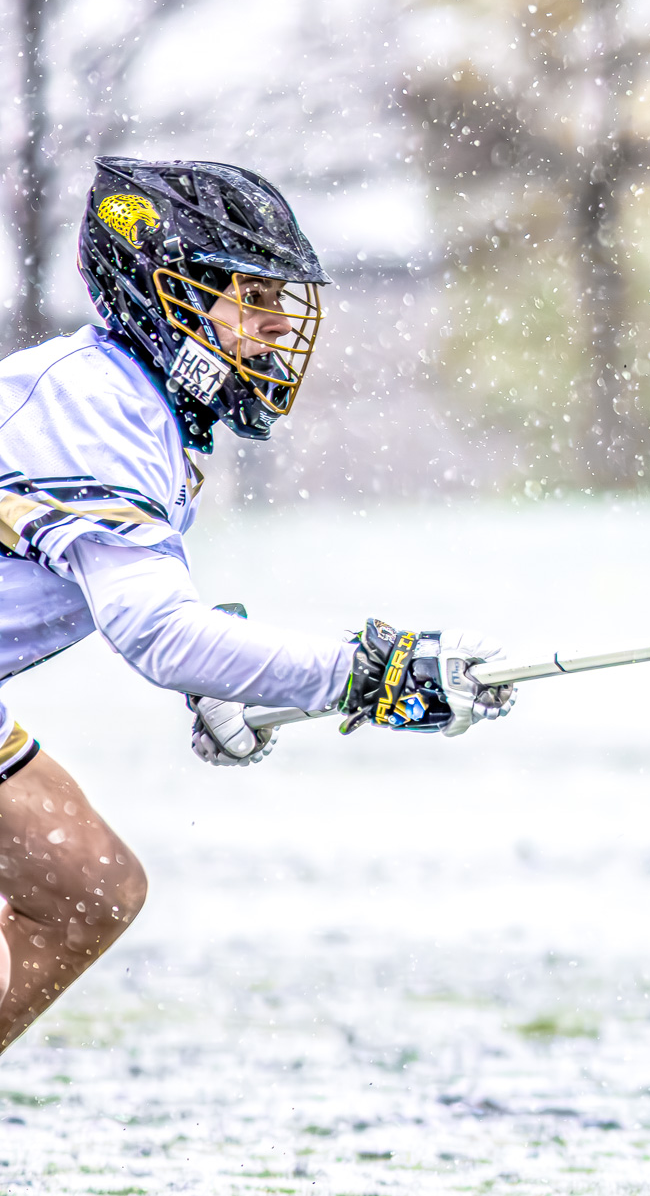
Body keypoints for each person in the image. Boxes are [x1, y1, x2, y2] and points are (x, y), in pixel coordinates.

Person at [0, 157, 515, 1052]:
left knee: (86, 888)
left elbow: (146, 600)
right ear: (166, 295)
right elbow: (156, 632)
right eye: (252, 296)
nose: (278, 329)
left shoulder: (138, 402)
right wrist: (359, 675)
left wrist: (214, 676)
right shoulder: (95, 404)